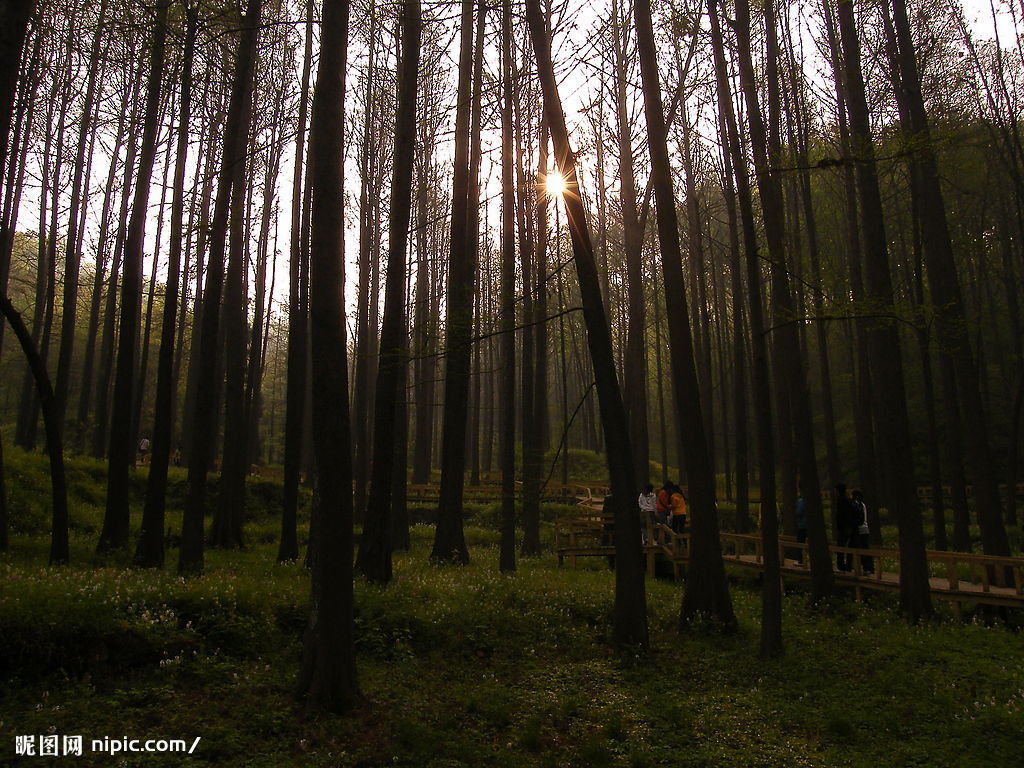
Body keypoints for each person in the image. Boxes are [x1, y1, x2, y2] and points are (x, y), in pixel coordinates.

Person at [835, 483, 858, 572]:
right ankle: (848, 565)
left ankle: (840, 566)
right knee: (849, 546)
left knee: (840, 546)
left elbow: (841, 515)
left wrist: (840, 526)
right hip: (849, 526)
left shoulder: (841, 501)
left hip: (844, 527)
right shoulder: (848, 500)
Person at [851, 489, 873, 574]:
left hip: (859, 530)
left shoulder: (855, 505)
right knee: (866, 548)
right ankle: (869, 568)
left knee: (860, 550)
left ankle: (864, 568)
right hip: (865, 529)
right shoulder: (862, 504)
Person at [795, 491, 807, 565]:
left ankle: (801, 561)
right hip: (810, 526)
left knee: (800, 542)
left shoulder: (801, 501)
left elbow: (798, 512)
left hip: (802, 525)